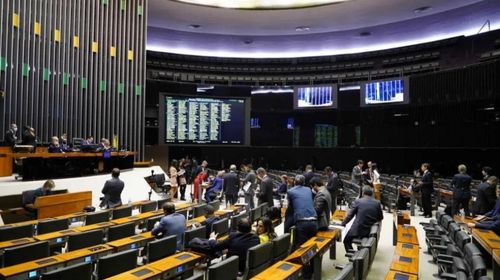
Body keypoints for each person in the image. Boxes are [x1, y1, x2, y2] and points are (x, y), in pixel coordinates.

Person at [285, 174, 317, 279]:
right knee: (312, 247)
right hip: (313, 220)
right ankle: (313, 270)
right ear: (304, 182)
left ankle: (305, 276)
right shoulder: (308, 189)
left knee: (302, 249)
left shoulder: (290, 191)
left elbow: (290, 208)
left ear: (294, 182)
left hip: (302, 222)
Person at [341, 186, 383, 251]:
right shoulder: (377, 203)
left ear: (363, 193)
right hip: (370, 230)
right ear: (372, 193)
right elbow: (380, 217)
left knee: (346, 241)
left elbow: (350, 216)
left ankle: (353, 257)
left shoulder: (358, 201)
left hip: (358, 230)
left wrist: (343, 224)